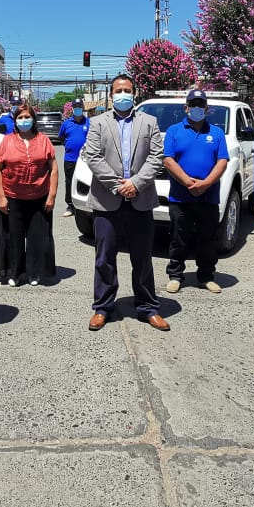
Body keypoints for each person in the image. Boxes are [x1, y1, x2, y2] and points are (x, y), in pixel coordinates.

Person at [82, 74, 169, 332]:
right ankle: (103, 307)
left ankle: (148, 307)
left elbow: (156, 156)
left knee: (142, 257)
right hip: (107, 200)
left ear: (135, 93)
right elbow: (92, 156)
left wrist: (136, 184)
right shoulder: (97, 122)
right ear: (111, 95)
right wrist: (118, 185)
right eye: (118, 90)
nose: (123, 94)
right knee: (104, 257)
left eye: (127, 90)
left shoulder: (149, 122)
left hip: (140, 200)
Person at [162, 88, 229, 295]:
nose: (197, 108)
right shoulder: (174, 130)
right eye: (193, 104)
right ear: (186, 107)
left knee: (207, 238)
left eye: (201, 105)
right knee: (178, 237)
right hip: (180, 197)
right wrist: (188, 183)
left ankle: (206, 276)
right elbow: (168, 160)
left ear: (207, 109)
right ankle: (175, 275)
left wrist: (205, 184)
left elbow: (222, 161)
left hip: (208, 196)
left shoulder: (216, 133)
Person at [0, 102, 59, 286]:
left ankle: (34, 272)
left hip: (39, 197)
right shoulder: (7, 141)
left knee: (37, 237)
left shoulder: (44, 140)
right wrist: (1, 197)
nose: (24, 120)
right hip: (13, 197)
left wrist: (51, 196)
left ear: (33, 119)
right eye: (20, 117)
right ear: (15, 121)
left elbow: (53, 169)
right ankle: (14, 272)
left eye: (27, 117)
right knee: (14, 237)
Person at [58, 98, 91, 217]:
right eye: (75, 107)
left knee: (85, 181)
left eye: (80, 107)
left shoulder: (89, 122)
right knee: (69, 182)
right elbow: (61, 138)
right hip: (70, 159)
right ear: (72, 109)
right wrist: (68, 146)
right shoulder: (66, 123)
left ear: (83, 108)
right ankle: (70, 206)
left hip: (85, 160)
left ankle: (85, 204)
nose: (78, 109)